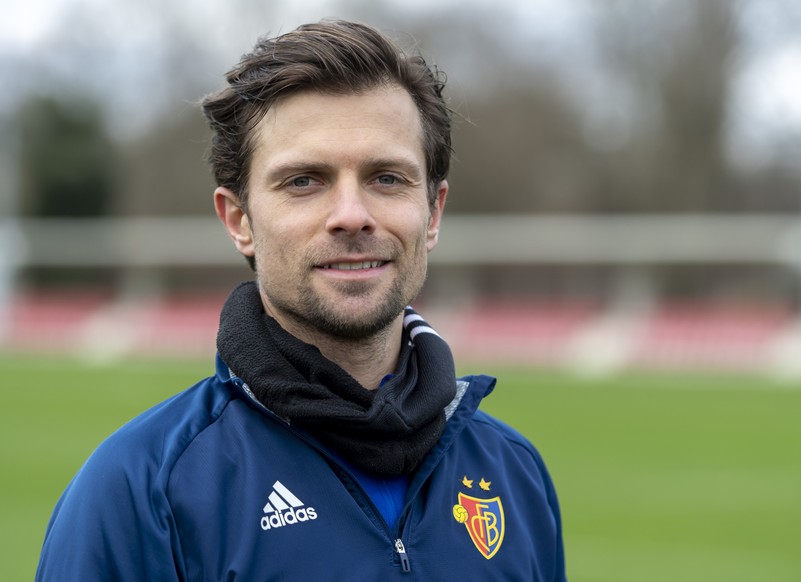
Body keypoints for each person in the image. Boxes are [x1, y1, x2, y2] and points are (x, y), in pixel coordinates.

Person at [36, 20, 565, 580]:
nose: (351, 215)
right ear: (239, 220)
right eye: (304, 181)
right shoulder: (140, 491)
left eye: (387, 178)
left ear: (432, 213)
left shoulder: (514, 473)